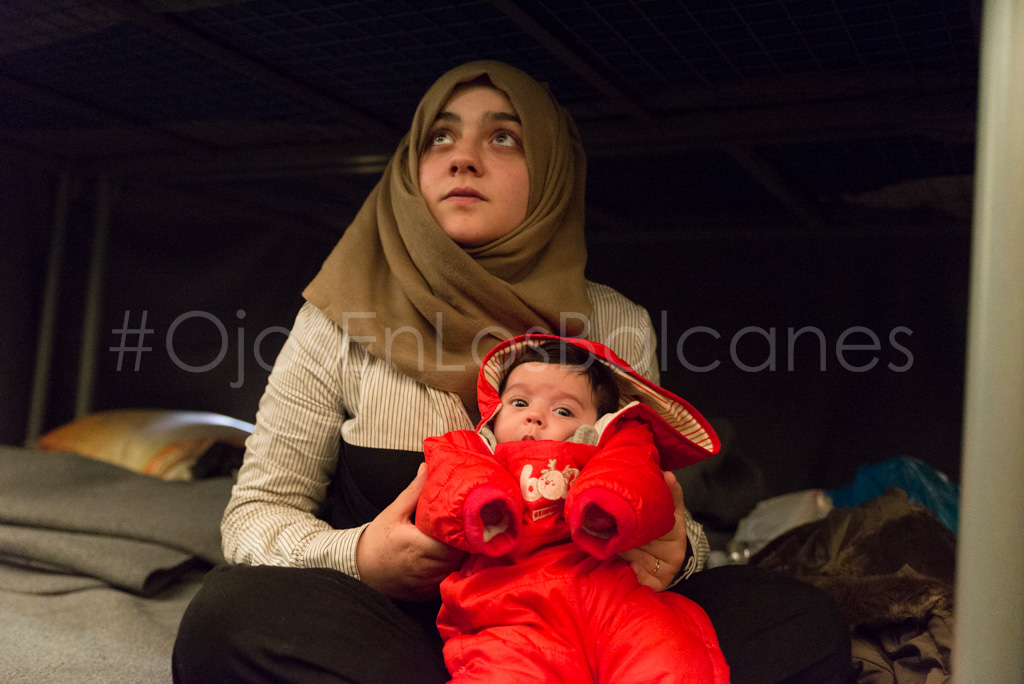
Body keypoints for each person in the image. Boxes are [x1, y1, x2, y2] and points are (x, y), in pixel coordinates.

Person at [172, 60, 852, 683]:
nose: (463, 158)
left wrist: (681, 554)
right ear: (411, 167)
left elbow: (653, 497)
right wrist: (362, 557)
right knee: (229, 619)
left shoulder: (613, 325)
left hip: (587, 633)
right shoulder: (337, 321)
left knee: (802, 621)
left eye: (503, 139)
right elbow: (255, 516)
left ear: (553, 172)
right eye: (440, 137)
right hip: (395, 635)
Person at [416, 335, 729, 682]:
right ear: (494, 410)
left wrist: (609, 504)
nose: (534, 416)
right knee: (504, 670)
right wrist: (482, 505)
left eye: (563, 410)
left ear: (597, 426)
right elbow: (446, 489)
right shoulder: (474, 450)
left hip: (607, 591)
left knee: (665, 650)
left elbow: (637, 478)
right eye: (519, 402)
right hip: (510, 604)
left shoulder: (609, 448)